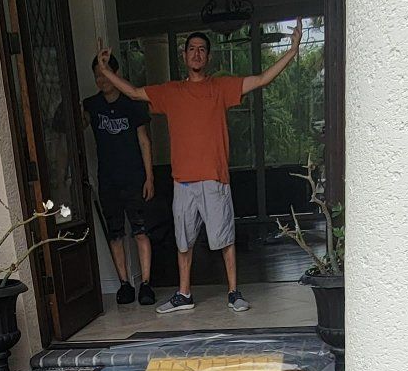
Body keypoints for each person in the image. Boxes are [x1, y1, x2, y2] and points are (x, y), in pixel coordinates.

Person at [95, 24, 303, 314]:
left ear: (208, 58)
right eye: (191, 48)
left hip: (214, 178)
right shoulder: (171, 91)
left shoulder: (220, 87)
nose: (196, 53)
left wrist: (292, 51)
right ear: (184, 55)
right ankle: (184, 294)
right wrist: (105, 72)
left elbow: (260, 79)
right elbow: (133, 92)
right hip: (183, 182)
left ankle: (233, 292)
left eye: (202, 49)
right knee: (184, 241)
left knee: (225, 238)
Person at [82, 52, 156, 307]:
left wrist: (150, 177)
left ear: (115, 74)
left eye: (105, 74)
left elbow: (144, 141)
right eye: (97, 76)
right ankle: (124, 284)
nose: (101, 80)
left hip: (134, 177)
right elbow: (68, 126)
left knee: (140, 230)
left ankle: (146, 284)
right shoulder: (91, 106)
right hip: (108, 179)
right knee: (115, 233)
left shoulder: (133, 104)